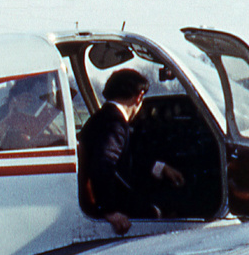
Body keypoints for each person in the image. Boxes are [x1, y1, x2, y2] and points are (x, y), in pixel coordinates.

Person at [78, 68, 184, 235]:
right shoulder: (115, 124)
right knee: (175, 205)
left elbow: (123, 158)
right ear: (139, 96)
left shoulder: (100, 118)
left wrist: (159, 167)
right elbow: (104, 163)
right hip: (114, 204)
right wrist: (110, 210)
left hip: (113, 195)